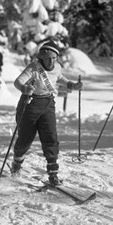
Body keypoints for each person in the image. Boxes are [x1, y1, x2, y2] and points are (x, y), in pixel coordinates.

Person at [11, 40, 83, 186]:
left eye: (54, 58)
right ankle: (17, 164)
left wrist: (72, 85)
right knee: (25, 139)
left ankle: (53, 174)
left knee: (51, 137)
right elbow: (18, 81)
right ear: (41, 58)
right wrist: (25, 89)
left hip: (47, 105)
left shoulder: (57, 67)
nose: (51, 61)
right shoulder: (34, 68)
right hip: (29, 105)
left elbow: (60, 78)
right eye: (48, 58)